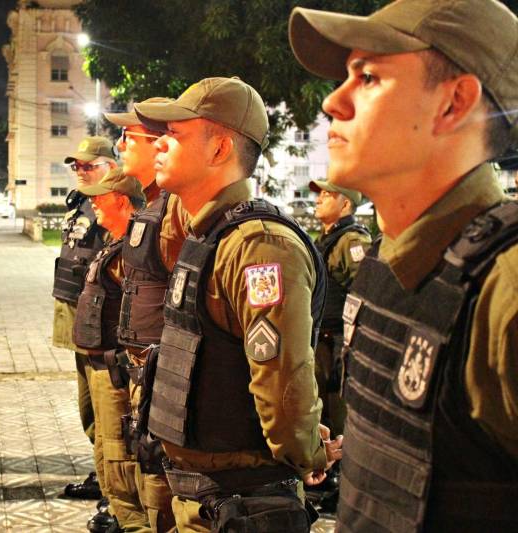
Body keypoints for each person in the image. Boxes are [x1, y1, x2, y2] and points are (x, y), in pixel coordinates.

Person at [289, 1, 518, 531]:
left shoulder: (503, 290)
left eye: (368, 76)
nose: (332, 101)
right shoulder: (388, 260)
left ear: (454, 102)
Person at [134, 76, 342, 532]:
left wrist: (306, 451)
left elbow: (283, 380)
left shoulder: (260, 247)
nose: (160, 146)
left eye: (175, 134)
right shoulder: (207, 235)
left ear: (219, 149)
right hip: (202, 493)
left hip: (240, 504)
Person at [105, 98, 187, 533]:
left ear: (158, 144)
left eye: (127, 136)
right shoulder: (154, 206)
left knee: (162, 496)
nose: (119, 144)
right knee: (140, 484)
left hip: (165, 380)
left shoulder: (176, 210)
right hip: (142, 373)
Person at [72, 169, 147, 532]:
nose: (93, 204)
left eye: (100, 197)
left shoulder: (135, 253)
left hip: (117, 374)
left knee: (121, 462)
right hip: (100, 369)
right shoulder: (115, 243)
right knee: (106, 455)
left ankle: (130, 521)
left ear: (121, 200)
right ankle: (119, 515)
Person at [53, 136, 117, 501]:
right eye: (77, 165)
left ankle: (115, 487)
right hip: (80, 319)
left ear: (111, 166)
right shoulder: (82, 204)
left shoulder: (115, 205)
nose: (81, 171)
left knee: (108, 407)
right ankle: (103, 472)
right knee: (89, 407)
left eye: (89, 165)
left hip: (102, 322)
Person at [306, 179, 370, 511]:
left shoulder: (352, 241)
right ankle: (332, 478)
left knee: (338, 412)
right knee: (325, 410)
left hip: (337, 345)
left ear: (345, 204)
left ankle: (344, 483)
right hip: (323, 341)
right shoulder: (329, 239)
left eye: (327, 196)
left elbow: (366, 289)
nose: (318, 201)